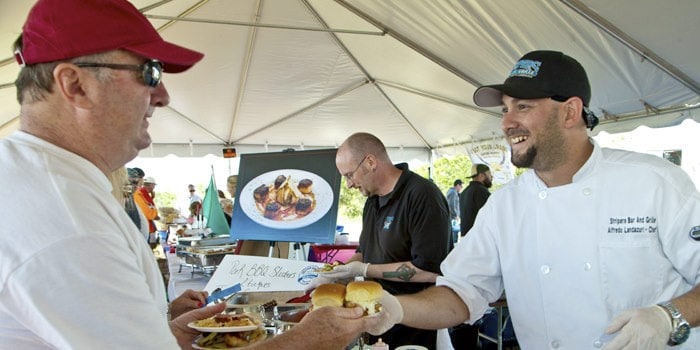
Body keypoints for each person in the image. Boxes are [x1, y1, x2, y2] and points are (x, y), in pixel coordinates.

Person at [0, 0, 381, 348]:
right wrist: (307, 341)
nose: (163, 95)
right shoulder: (67, 218)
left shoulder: (43, 182)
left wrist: (163, 332)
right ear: (75, 85)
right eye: (148, 72)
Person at [370, 50, 700, 349]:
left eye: (523, 107)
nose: (506, 122)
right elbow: (461, 293)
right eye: (505, 109)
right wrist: (398, 308)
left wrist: (668, 315)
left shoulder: (655, 183)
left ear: (571, 112)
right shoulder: (504, 207)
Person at [313, 132, 453, 349]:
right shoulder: (372, 200)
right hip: (378, 317)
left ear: (370, 162)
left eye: (350, 175)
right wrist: (336, 273)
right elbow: (364, 251)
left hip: (415, 322)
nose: (349, 184)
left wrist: (365, 270)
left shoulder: (422, 195)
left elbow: (430, 270)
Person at [458, 163, 492, 237]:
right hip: (479, 239)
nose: (491, 176)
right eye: (489, 174)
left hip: (467, 239)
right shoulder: (481, 191)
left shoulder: (465, 192)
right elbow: (490, 217)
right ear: (481, 176)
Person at [134, 176, 160, 244]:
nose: (154, 187)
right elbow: (147, 211)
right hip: (145, 226)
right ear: (150, 185)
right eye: (153, 185)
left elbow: (149, 206)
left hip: (147, 225)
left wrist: (152, 197)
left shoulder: (144, 193)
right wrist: (155, 216)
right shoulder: (141, 193)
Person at [445, 179, 463, 243]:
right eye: (461, 186)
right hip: (452, 218)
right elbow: (451, 205)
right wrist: (456, 215)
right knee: (454, 237)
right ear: (458, 185)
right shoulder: (453, 192)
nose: (461, 188)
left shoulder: (453, 192)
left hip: (452, 218)